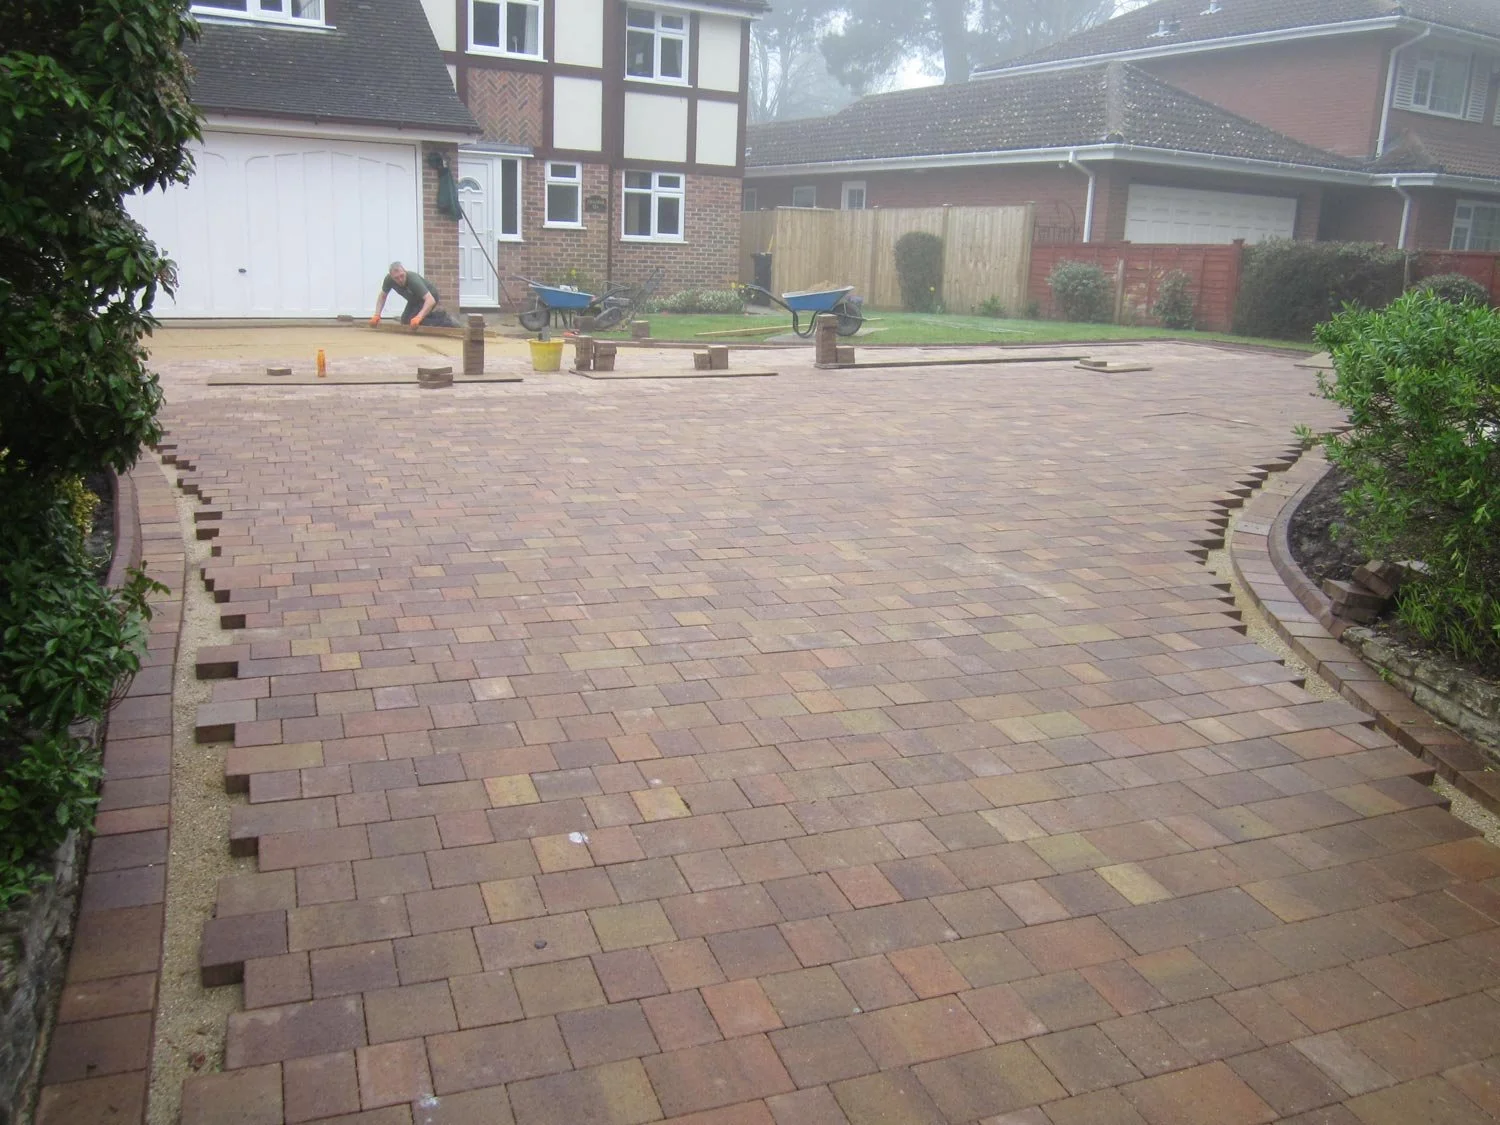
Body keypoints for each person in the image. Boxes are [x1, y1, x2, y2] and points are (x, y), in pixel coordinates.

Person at [369, 262, 458, 329]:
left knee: (415, 321)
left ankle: (446, 320)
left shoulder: (413, 280)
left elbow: (430, 300)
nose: (400, 280)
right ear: (391, 277)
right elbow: (382, 296)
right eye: (396, 278)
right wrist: (377, 315)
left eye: (402, 276)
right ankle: (431, 316)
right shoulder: (388, 280)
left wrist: (419, 317)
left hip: (429, 297)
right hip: (414, 300)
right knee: (405, 321)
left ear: (405, 271)